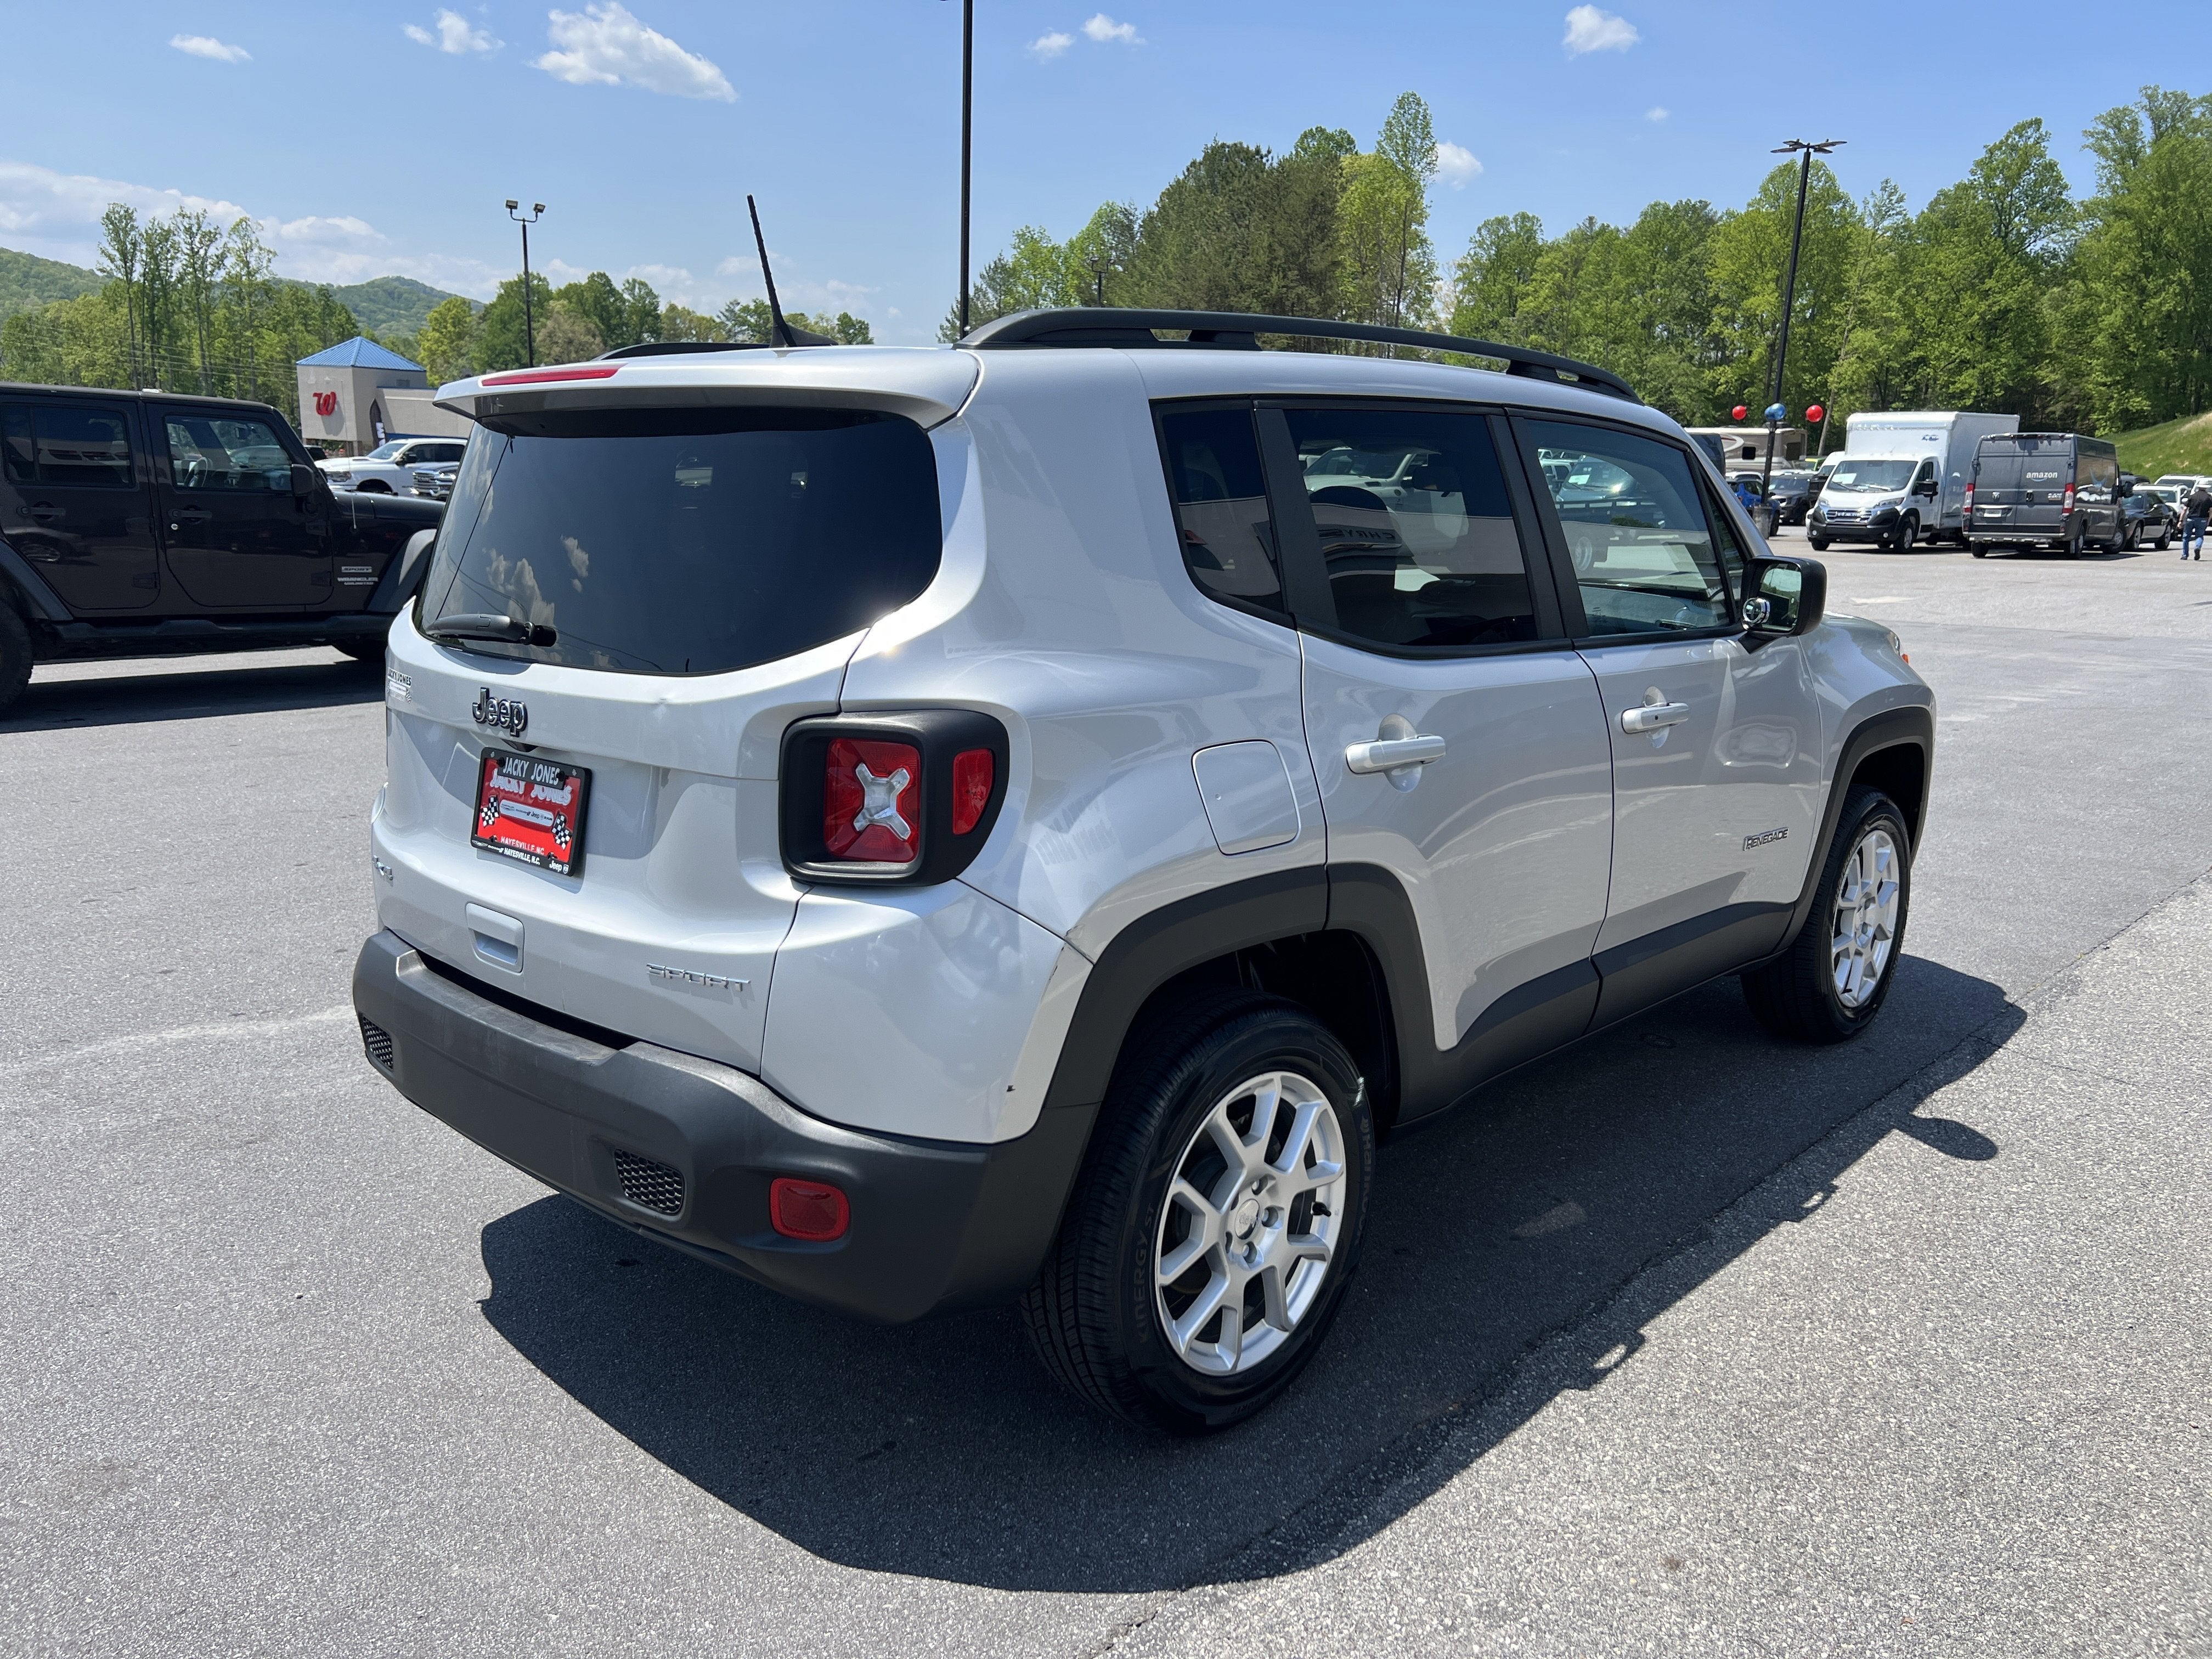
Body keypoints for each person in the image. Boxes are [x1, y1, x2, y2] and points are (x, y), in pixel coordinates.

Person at [2184, 483, 2210, 561]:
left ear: (2198, 488)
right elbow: (2211, 510)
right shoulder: (2209, 498)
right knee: (2200, 536)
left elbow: (2185, 509)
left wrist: (2181, 520)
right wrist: (2208, 520)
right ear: (2206, 488)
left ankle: (2185, 555)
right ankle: (2197, 547)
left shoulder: (2192, 496)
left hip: (2191, 519)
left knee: (2186, 537)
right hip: (2202, 519)